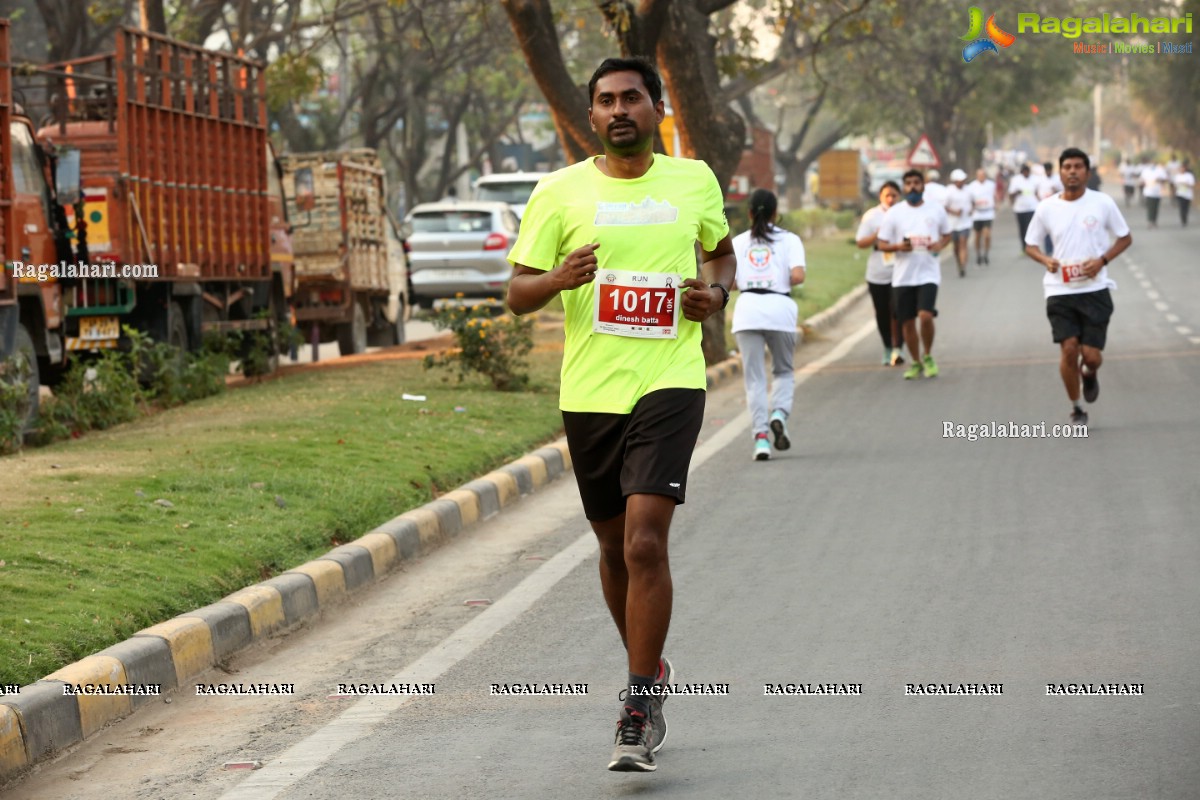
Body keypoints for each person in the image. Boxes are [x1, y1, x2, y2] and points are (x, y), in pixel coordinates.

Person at [505, 56, 734, 774]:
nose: (618, 110)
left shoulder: (692, 180)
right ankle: (653, 670)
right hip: (590, 393)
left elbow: (720, 256)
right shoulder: (558, 191)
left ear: (657, 106)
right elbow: (517, 293)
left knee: (643, 544)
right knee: (610, 550)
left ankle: (636, 704)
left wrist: (715, 296)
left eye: (632, 97)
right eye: (605, 101)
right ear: (591, 116)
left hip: (670, 379)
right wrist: (558, 277)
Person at [1024, 147, 1132, 426]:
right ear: (1060, 173)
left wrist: (1102, 260)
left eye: (1078, 167)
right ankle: (1077, 407)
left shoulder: (1103, 203)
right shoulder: (1047, 207)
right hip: (1059, 290)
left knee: (1092, 357)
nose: (1072, 171)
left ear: (1087, 172)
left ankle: (1090, 373)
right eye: (1067, 167)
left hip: (1094, 289)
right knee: (1069, 348)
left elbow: (1124, 238)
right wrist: (1045, 259)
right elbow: (1030, 245)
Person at [731, 189, 806, 460]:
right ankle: (779, 414)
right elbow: (797, 276)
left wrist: (752, 279)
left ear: (749, 213)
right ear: (776, 212)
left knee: (754, 380)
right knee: (783, 371)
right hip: (780, 311)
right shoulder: (790, 240)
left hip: (747, 311)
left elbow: (730, 282)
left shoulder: (738, 242)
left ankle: (761, 438)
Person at [878, 169, 951, 380]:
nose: (912, 187)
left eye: (916, 183)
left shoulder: (935, 210)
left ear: (923, 186)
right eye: (908, 183)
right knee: (907, 322)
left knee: (925, 315)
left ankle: (927, 355)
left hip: (928, 273)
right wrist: (899, 246)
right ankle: (916, 361)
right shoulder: (894, 213)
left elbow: (947, 235)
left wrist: (940, 244)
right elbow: (882, 244)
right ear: (904, 188)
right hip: (903, 276)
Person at [855, 180, 905, 364]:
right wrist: (877, 235)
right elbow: (860, 242)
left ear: (899, 196)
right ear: (881, 197)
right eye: (887, 195)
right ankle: (887, 346)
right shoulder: (872, 216)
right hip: (878, 270)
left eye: (894, 195)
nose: (891, 199)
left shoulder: (905, 213)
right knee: (882, 312)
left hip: (901, 269)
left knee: (898, 310)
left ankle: (898, 348)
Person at [944, 169, 973, 277]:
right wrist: (954, 212)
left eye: (963, 180)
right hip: (952, 224)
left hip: (965, 223)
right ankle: (959, 263)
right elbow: (944, 207)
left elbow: (973, 202)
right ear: (955, 181)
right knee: (956, 247)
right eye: (960, 180)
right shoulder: (949, 191)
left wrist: (971, 210)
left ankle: (963, 266)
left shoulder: (968, 190)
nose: (962, 182)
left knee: (963, 244)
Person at [966, 167, 996, 265]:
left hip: (988, 213)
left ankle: (986, 253)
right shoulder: (972, 186)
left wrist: (996, 204)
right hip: (977, 214)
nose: (981, 177)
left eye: (983, 175)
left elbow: (995, 196)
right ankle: (978, 254)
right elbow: (969, 200)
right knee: (977, 236)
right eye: (979, 175)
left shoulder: (991, 185)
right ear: (977, 176)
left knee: (987, 235)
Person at [1008, 164, 1039, 254]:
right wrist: (1017, 192)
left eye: (1027, 172)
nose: (1026, 174)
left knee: (1031, 228)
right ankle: (1024, 247)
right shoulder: (1016, 180)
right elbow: (1010, 194)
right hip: (1020, 209)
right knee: (1022, 229)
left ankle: (1032, 247)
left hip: (1032, 207)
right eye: (1024, 172)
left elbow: (1037, 192)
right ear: (1022, 172)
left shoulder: (1035, 179)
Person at [1142, 160, 1168, 228]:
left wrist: (1159, 180)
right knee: (1150, 207)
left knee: (1156, 207)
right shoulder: (1146, 171)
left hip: (1157, 192)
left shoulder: (1160, 170)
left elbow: (1165, 179)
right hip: (1148, 192)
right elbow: (1142, 180)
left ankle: (1154, 221)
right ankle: (1150, 221)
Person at [1174, 162, 1194, 226]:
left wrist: (1186, 184)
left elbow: (1192, 184)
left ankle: (1185, 217)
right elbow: (1175, 184)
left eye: (1183, 168)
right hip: (1180, 194)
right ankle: (1183, 220)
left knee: (1186, 207)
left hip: (1187, 194)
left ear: (1185, 169)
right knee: (1182, 207)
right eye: (1180, 168)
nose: (1182, 169)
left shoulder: (1189, 175)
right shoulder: (1177, 176)